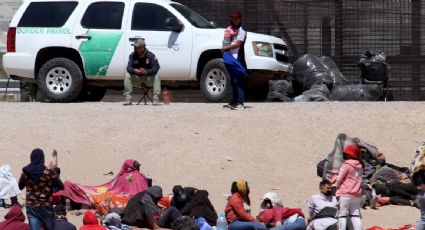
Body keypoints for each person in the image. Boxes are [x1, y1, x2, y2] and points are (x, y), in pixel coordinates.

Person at [19, 148, 64, 230]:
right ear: (42, 158)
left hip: (31, 206)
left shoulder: (26, 171)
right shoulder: (49, 172)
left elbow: (20, 186)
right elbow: (61, 186)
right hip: (46, 205)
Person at [221, 11, 248, 110]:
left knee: (239, 81)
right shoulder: (232, 30)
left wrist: (225, 47)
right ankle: (234, 101)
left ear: (240, 19)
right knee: (233, 81)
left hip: (238, 59)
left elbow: (238, 44)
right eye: (232, 18)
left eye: (236, 18)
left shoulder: (242, 31)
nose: (234, 20)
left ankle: (240, 103)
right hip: (231, 58)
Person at [123, 38, 161, 106]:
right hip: (137, 79)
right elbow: (128, 68)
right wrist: (134, 70)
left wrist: (147, 71)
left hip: (148, 79)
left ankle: (156, 99)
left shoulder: (150, 55)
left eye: (137, 47)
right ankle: (128, 99)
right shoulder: (132, 55)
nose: (135, 48)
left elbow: (156, 67)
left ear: (143, 48)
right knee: (127, 75)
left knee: (156, 76)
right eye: (135, 47)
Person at [335, 145, 363, 230]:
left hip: (345, 193)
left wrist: (337, 185)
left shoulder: (346, 165)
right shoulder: (360, 166)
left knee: (342, 215)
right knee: (355, 215)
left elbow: (339, 178)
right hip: (357, 194)